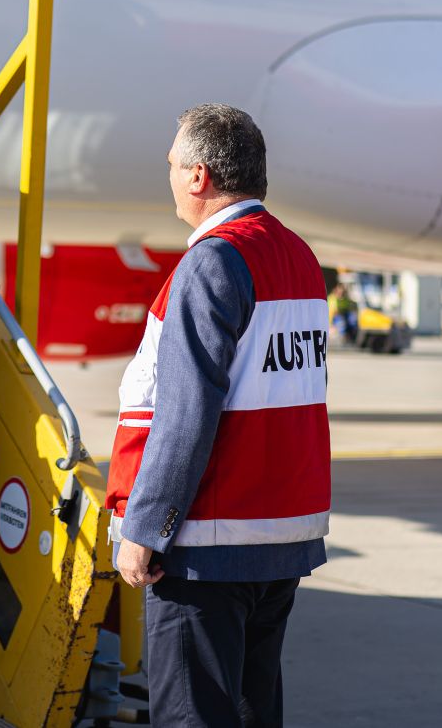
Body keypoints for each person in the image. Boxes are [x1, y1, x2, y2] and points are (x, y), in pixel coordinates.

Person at [104, 104, 330, 728]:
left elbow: (185, 414)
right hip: (279, 536)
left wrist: (145, 528)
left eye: (174, 166)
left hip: (208, 543)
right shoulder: (299, 257)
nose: (170, 177)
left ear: (199, 176)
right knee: (257, 711)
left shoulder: (211, 264)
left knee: (192, 717)